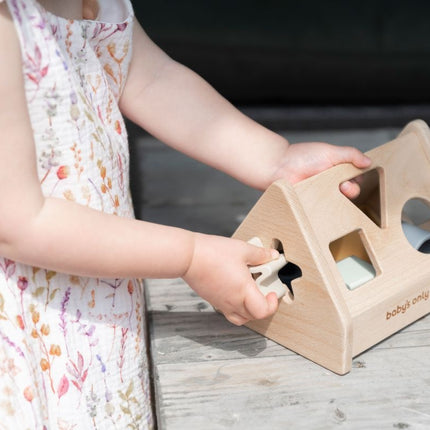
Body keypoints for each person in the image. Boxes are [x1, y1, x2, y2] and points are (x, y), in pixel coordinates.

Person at [0, 0, 371, 428]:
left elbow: (152, 80)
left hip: (96, 315)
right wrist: (190, 255)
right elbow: (19, 221)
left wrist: (274, 158)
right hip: (30, 338)